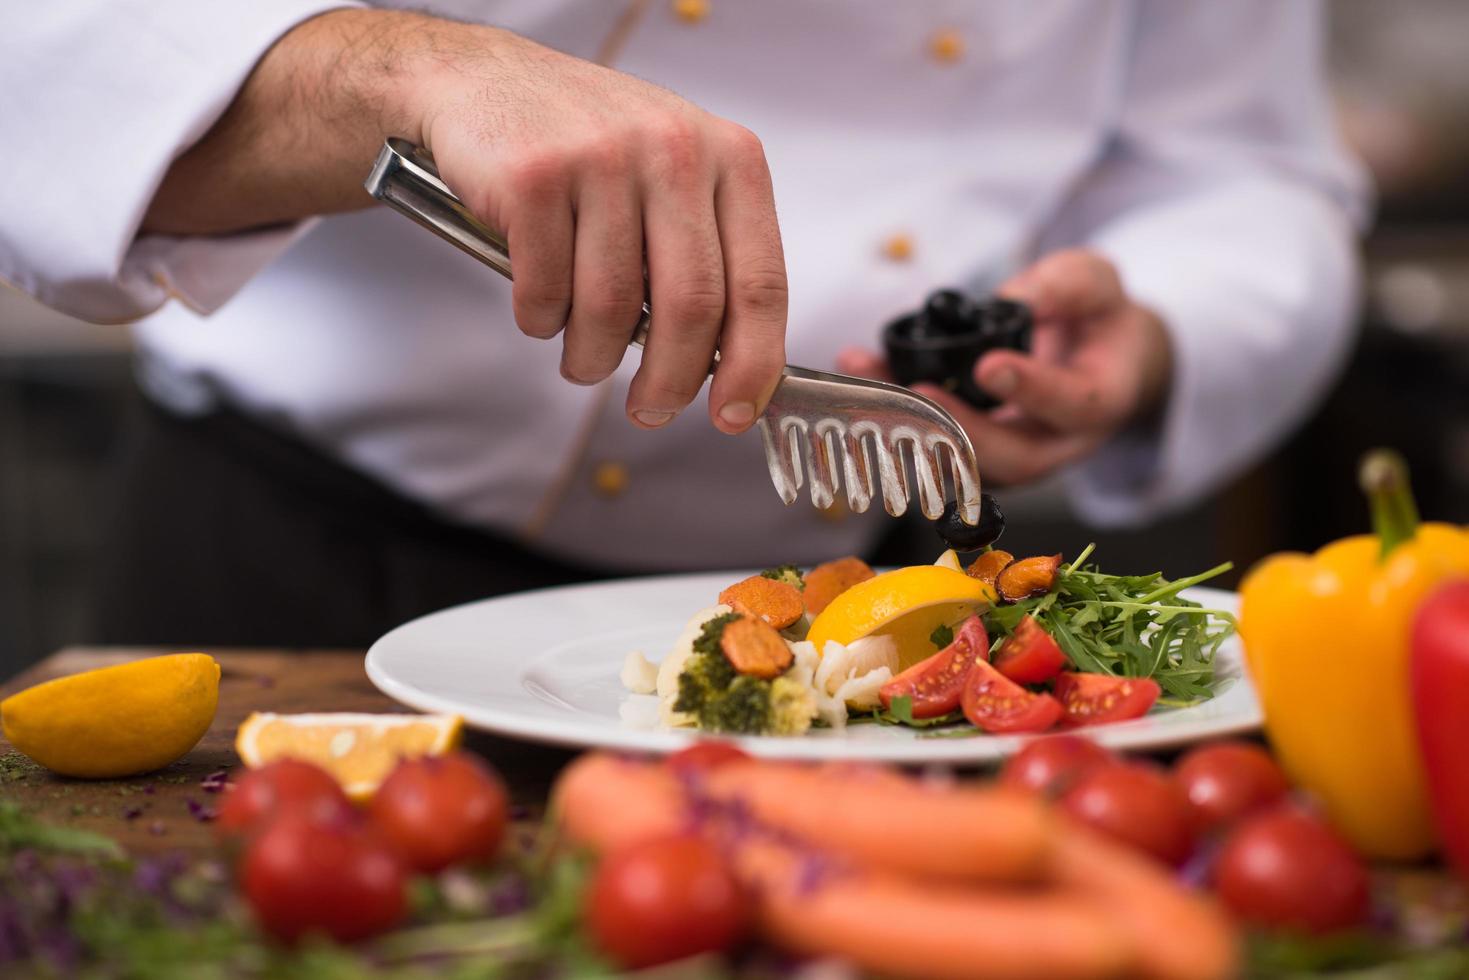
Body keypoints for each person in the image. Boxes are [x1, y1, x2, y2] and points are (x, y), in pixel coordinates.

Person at [1, 1, 1366, 647]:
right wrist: (385, 71)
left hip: (847, 609)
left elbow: (1241, 169)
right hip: (286, 567)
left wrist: (1164, 319)